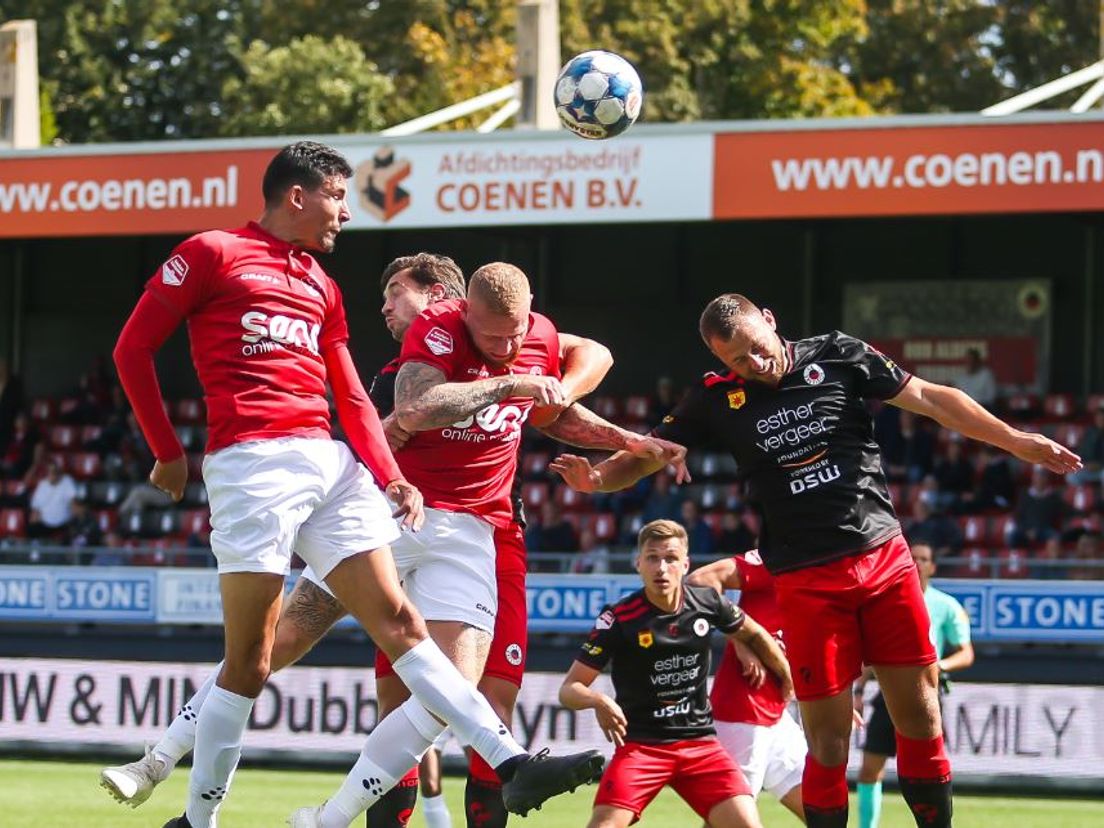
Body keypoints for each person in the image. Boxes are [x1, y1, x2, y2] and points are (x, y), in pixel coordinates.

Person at [109, 142, 601, 828]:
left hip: (333, 464)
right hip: (252, 464)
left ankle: (511, 762)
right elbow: (132, 349)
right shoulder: (213, 252)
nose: (346, 211)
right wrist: (167, 451)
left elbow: (350, 395)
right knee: (252, 660)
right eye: (339, 196)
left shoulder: (322, 285)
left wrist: (391, 475)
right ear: (298, 196)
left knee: (402, 624)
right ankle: (197, 817)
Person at [550, 293, 1080, 828]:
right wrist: (596, 479)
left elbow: (933, 399)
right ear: (721, 363)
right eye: (738, 361)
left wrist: (1015, 440)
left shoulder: (841, 354)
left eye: (758, 349)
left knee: (921, 719)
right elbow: (645, 455)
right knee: (828, 743)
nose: (755, 365)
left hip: (883, 560)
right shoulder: (713, 398)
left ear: (771, 322)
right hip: (805, 581)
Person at [559, 519, 793, 828]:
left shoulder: (706, 603)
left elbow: (755, 634)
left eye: (670, 558)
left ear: (685, 564)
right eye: (653, 558)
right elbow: (569, 689)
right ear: (638, 564)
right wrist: (598, 701)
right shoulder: (619, 618)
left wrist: (786, 676)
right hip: (642, 747)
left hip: (700, 745)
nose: (661, 568)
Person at [854, 542, 974, 828]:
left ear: (932, 567)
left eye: (923, 559)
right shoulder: (884, 602)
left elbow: (966, 653)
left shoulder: (946, 606)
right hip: (888, 692)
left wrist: (940, 666)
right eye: (913, 557)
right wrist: (858, 690)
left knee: (928, 771)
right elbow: (871, 656)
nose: (917, 563)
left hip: (926, 694)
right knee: (870, 769)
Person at [687, 549, 807, 823]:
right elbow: (699, 580)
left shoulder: (825, 575)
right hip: (742, 713)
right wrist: (738, 639)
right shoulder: (774, 560)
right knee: (729, 820)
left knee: (824, 809)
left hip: (777, 718)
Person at [27, 457, 78, 540]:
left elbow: (74, 504)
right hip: (45, 523)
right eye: (49, 472)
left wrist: (73, 519)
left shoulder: (67, 481)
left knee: (74, 527)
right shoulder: (42, 484)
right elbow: (35, 509)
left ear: (59, 472)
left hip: (64, 523)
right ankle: (35, 551)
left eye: (54, 472)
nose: (52, 474)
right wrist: (34, 521)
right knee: (32, 528)